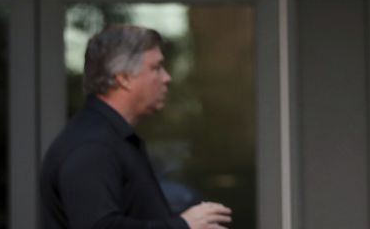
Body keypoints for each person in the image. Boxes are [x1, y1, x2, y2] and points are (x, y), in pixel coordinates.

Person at [40, 24, 233, 229]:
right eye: (156, 67)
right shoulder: (92, 146)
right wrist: (182, 226)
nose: (166, 78)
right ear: (123, 78)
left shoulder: (108, 138)